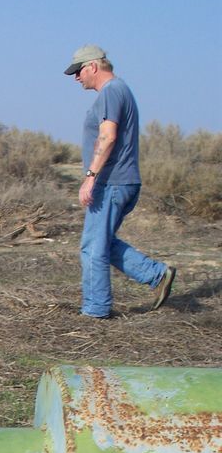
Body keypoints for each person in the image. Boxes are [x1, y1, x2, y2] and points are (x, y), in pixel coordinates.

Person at [64, 44, 175, 319]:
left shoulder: (111, 92)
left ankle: (95, 309)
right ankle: (156, 274)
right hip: (121, 181)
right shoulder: (119, 91)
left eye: (78, 71)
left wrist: (90, 178)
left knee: (92, 248)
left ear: (92, 66)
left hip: (111, 182)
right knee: (102, 242)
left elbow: (108, 136)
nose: (76, 77)